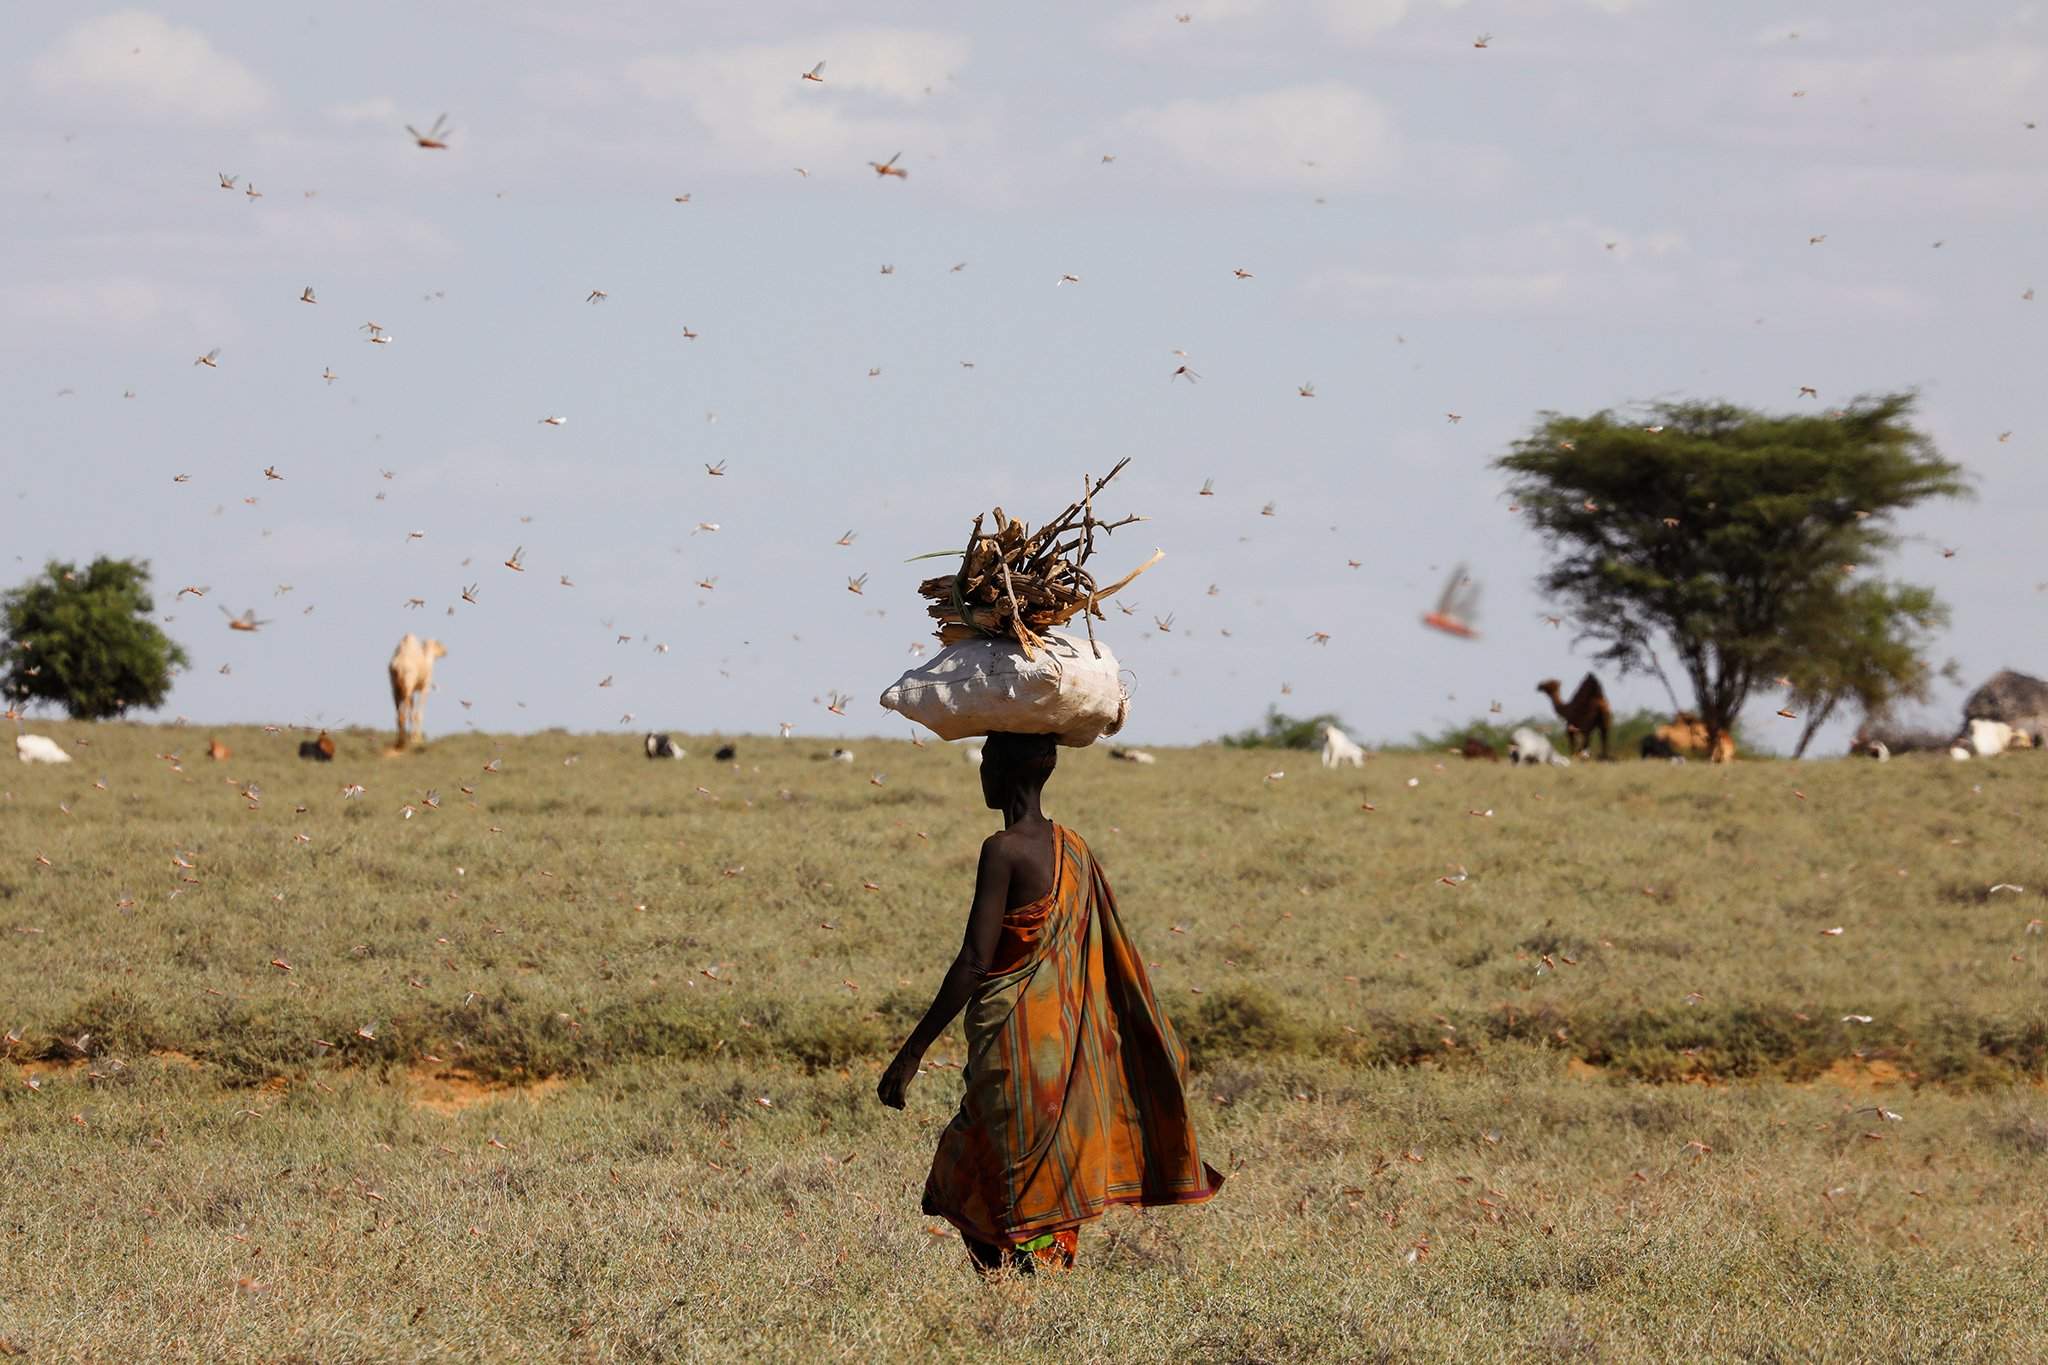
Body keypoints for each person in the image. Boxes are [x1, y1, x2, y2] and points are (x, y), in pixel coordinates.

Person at [876, 730, 1222, 1274]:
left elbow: (974, 960)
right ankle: (1025, 1302)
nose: (981, 771)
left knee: (979, 1173)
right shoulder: (1075, 848)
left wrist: (911, 1052)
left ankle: (1024, 1302)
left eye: (987, 759)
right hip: (1063, 1048)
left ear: (1008, 769)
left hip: (1013, 1052)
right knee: (1033, 1176)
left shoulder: (1003, 848)